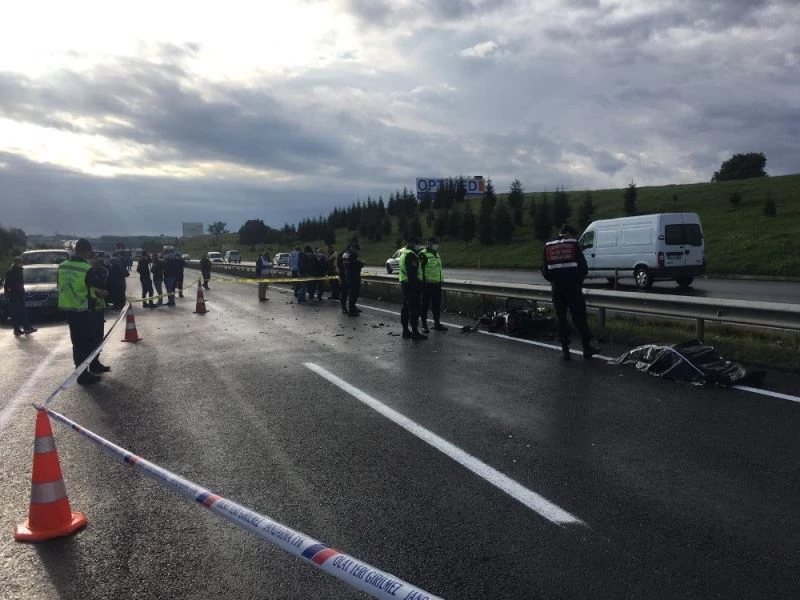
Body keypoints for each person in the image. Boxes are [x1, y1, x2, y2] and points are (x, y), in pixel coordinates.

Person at [541, 224, 599, 360]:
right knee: (580, 319)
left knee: (561, 319)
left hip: (557, 290)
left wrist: (555, 280)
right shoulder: (573, 245)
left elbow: (545, 271)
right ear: (567, 233)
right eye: (573, 235)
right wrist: (577, 281)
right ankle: (587, 348)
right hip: (573, 288)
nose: (573, 237)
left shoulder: (548, 247)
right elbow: (584, 268)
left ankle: (565, 350)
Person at [57, 238, 105, 385]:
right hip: (85, 310)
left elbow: (59, 284)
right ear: (87, 251)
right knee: (88, 342)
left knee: (77, 343)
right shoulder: (86, 268)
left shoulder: (62, 266)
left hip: (70, 310)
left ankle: (85, 369)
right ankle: (83, 375)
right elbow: (99, 284)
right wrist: (95, 268)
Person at [398, 238, 426, 339]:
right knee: (414, 308)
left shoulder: (403, 253)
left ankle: (405, 331)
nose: (418, 246)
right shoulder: (411, 255)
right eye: (417, 244)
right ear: (412, 243)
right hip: (412, 285)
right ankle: (415, 333)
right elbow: (412, 273)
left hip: (404, 283)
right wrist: (417, 286)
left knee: (406, 308)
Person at [88, 256, 111, 374]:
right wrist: (101, 292)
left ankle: (95, 363)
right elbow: (94, 287)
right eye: (93, 259)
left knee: (97, 339)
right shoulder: (88, 272)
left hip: (96, 309)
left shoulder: (97, 271)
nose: (96, 261)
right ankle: (92, 365)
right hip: (92, 310)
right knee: (93, 339)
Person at [419, 237, 447, 333]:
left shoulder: (436, 254)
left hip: (437, 283)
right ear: (429, 243)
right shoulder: (423, 254)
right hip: (427, 284)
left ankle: (437, 323)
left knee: (436, 304)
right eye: (435, 243)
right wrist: (422, 281)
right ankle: (424, 324)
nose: (436, 245)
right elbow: (419, 269)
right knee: (425, 305)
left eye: (437, 243)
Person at [4, 256, 37, 337]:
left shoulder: (19, 270)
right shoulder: (11, 272)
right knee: (15, 313)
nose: (22, 264)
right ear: (17, 263)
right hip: (14, 294)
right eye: (20, 263)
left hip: (19, 293)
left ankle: (27, 327)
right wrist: (7, 293)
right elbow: (6, 284)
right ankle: (16, 330)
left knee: (23, 312)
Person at [341, 240, 363, 316]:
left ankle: (351, 307)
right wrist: (361, 264)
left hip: (348, 275)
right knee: (353, 293)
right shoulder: (351, 255)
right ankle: (351, 310)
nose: (356, 251)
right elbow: (354, 265)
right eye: (356, 249)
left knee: (352, 293)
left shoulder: (345, 254)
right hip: (353, 276)